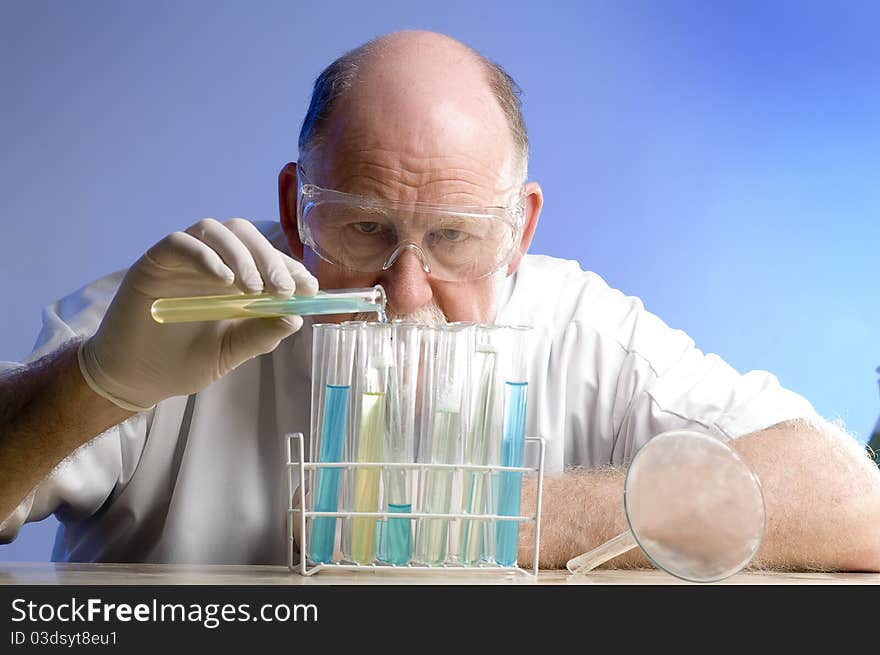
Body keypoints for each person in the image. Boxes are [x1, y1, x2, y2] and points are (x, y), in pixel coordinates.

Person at [1, 30, 878, 570]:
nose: (405, 292)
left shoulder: (584, 331)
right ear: (293, 211)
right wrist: (95, 383)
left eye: (454, 237)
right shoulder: (174, 309)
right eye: (363, 229)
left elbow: (856, 507)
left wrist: (490, 517)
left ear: (520, 228)